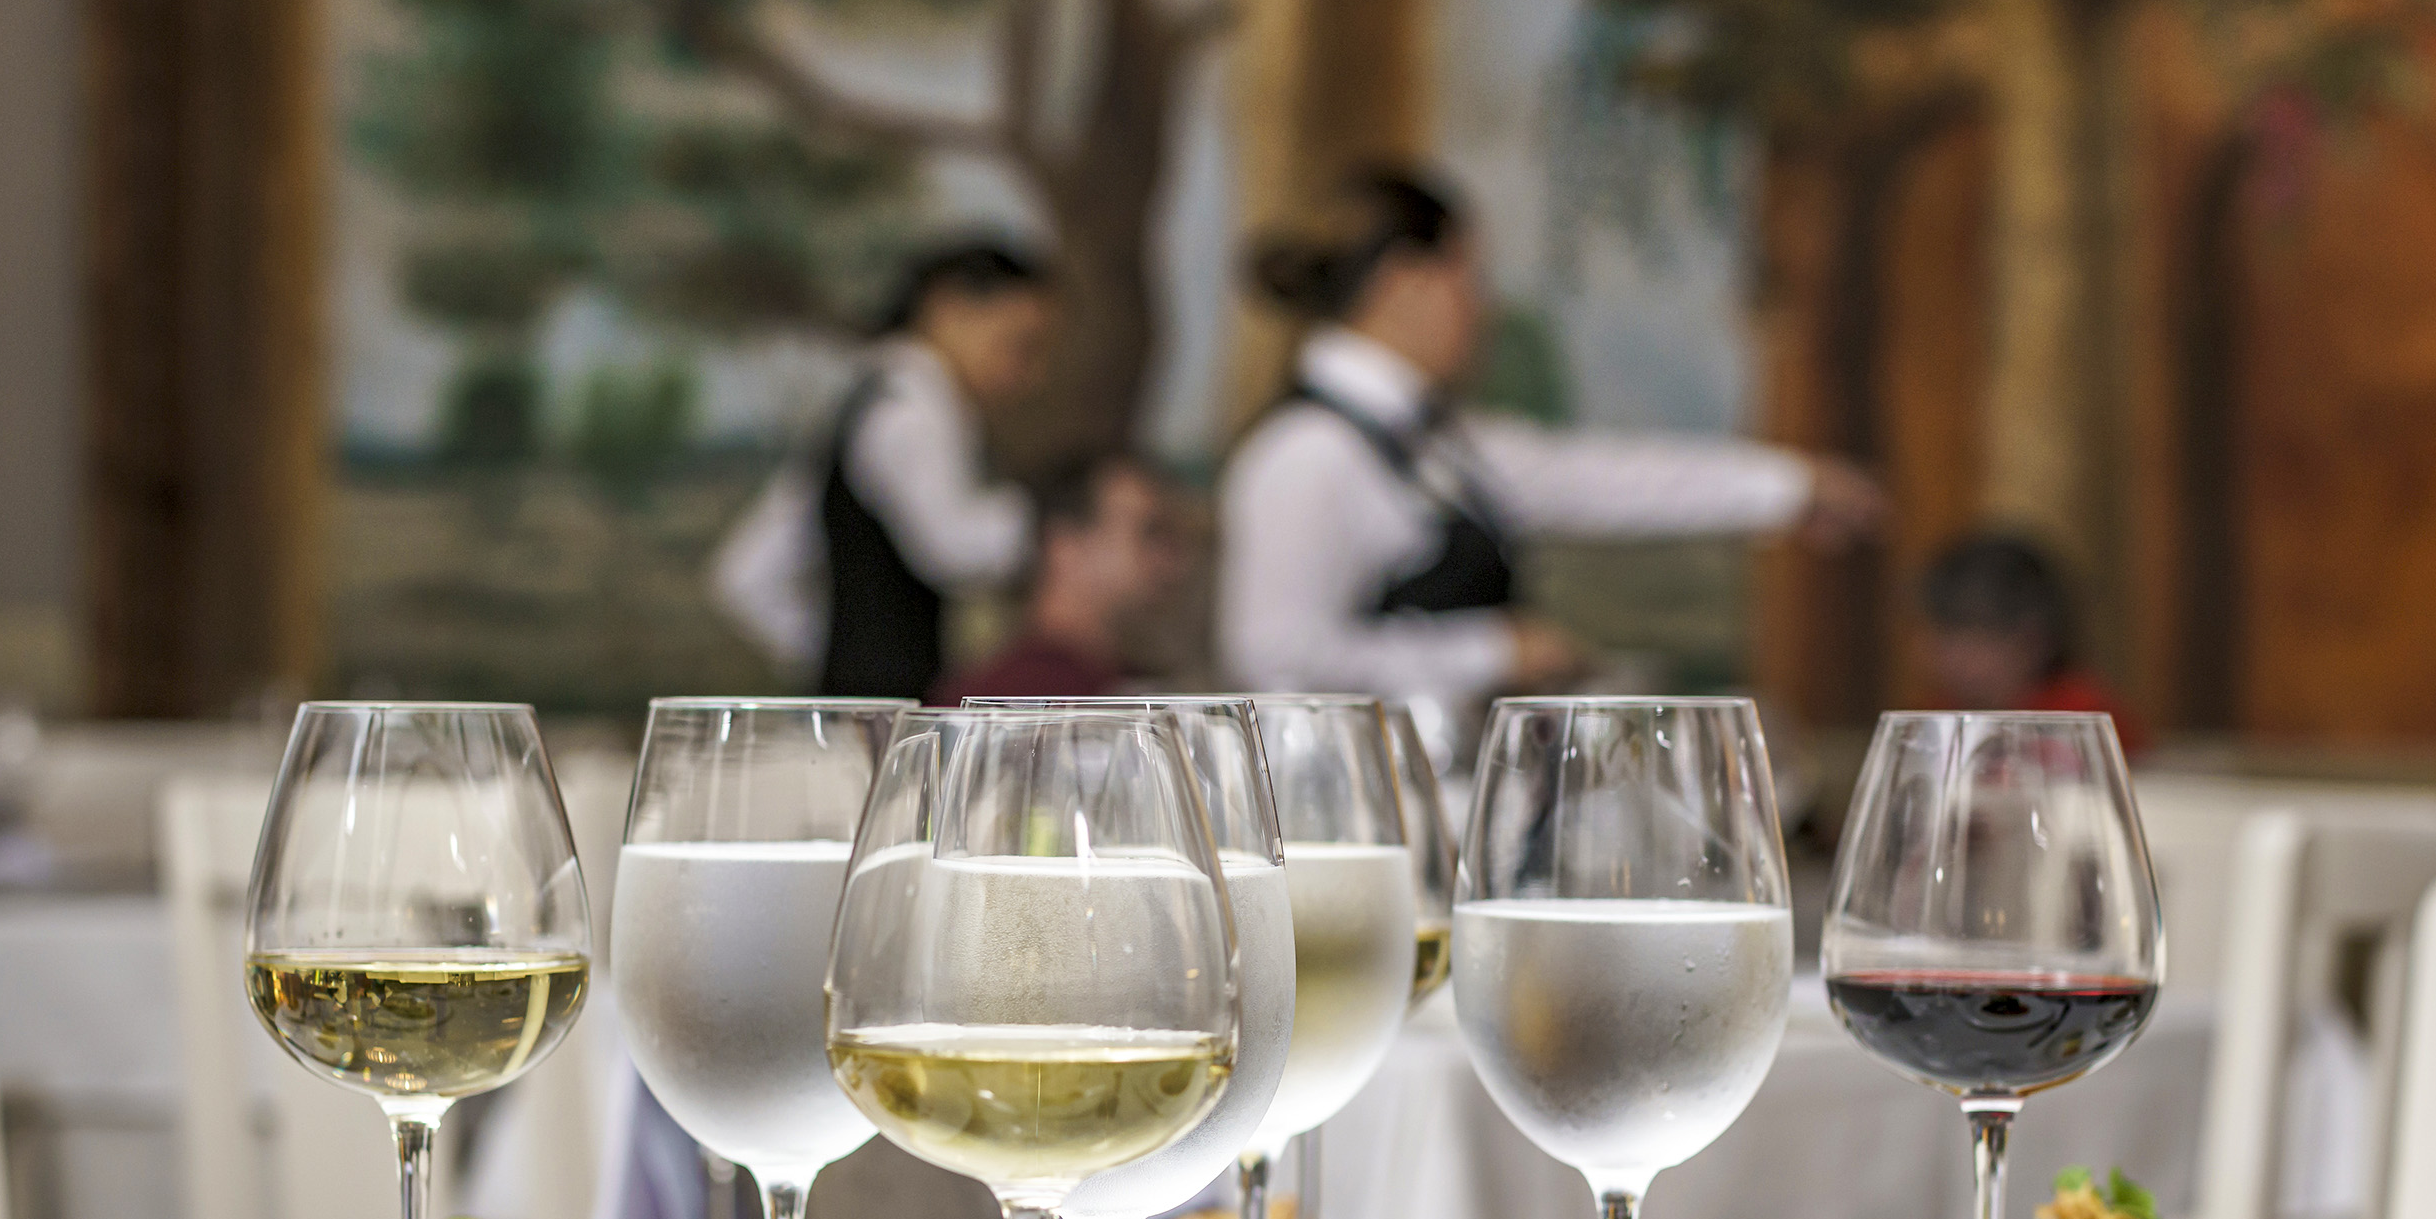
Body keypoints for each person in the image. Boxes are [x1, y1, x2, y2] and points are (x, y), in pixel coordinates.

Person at [1215, 167, 1887, 706]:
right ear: (1403, 282)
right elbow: (1273, 658)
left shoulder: (1441, 442)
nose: (1483, 305)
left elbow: (1600, 480)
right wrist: (1490, 652)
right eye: (1467, 275)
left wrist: (1791, 488)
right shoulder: (1305, 454)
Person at [712, 240, 1057, 699]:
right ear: (946, 309)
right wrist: (1057, 517)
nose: (1029, 377)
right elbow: (954, 547)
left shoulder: (868, 397)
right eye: (1018, 347)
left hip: (867, 705)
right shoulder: (913, 410)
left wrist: (837, 658)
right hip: (894, 717)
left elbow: (747, 574)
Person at [933, 454, 1182, 704]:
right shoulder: (1005, 699)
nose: (1170, 559)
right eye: (1149, 534)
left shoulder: (1122, 681)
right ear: (1064, 547)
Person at [1916, 528, 2147, 749]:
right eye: (1944, 638)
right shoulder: (1944, 713)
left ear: (2034, 641)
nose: (1954, 659)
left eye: (1977, 641)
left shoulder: (2080, 715)